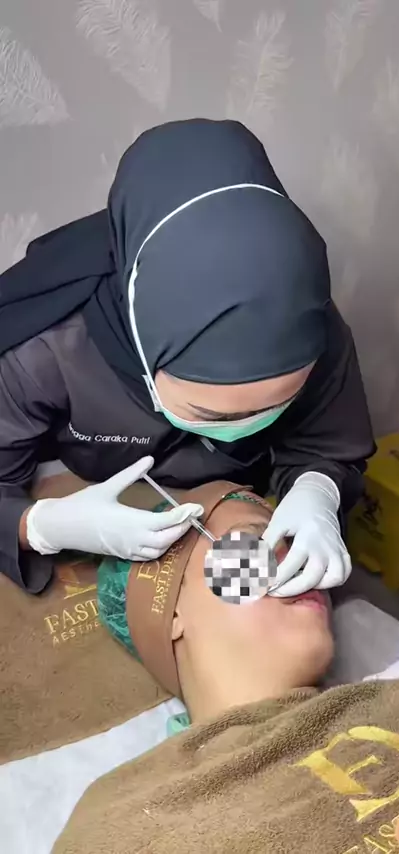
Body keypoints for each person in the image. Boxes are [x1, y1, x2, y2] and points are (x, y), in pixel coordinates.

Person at [0, 118, 375, 596]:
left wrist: (317, 490)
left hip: (243, 497)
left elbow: (329, 447)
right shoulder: (47, 345)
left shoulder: (313, 327)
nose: (240, 427)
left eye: (275, 406)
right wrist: (40, 526)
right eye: (209, 413)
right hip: (89, 499)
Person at [53, 483, 399, 853]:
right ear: (167, 610)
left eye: (299, 544)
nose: (298, 564)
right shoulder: (124, 821)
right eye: (252, 543)